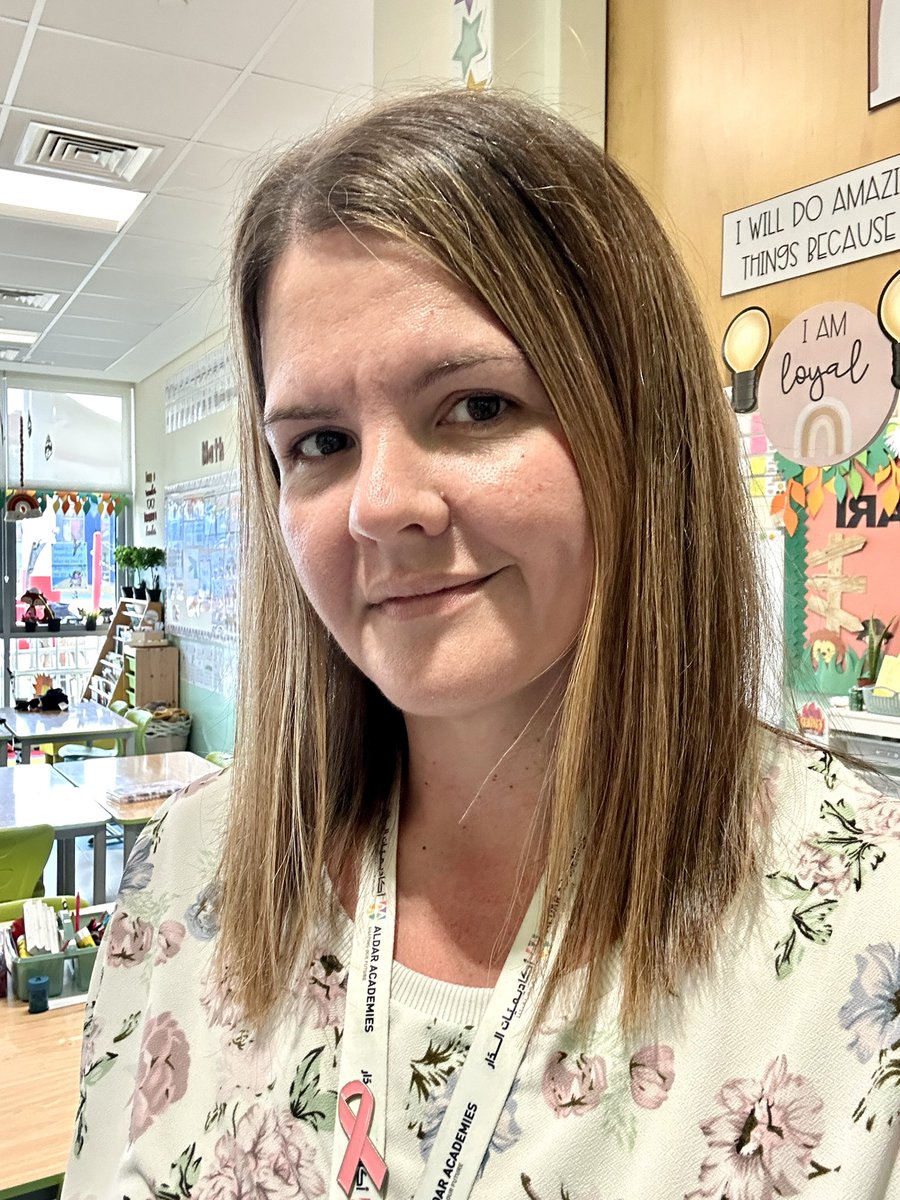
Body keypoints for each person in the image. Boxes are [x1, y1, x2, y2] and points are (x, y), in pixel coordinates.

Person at [62, 90, 900, 1200]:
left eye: (476, 408)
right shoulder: (191, 871)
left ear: (639, 429)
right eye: (317, 441)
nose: (379, 505)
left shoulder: (862, 920)